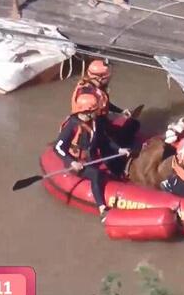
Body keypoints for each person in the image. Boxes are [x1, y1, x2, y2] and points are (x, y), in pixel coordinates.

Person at [54, 93, 130, 221]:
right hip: (76, 164)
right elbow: (58, 147)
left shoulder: (96, 123)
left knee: (114, 163)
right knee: (96, 174)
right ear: (86, 111)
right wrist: (71, 162)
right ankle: (102, 208)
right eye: (94, 110)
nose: (97, 112)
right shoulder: (72, 125)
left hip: (91, 159)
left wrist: (119, 149)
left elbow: (105, 140)